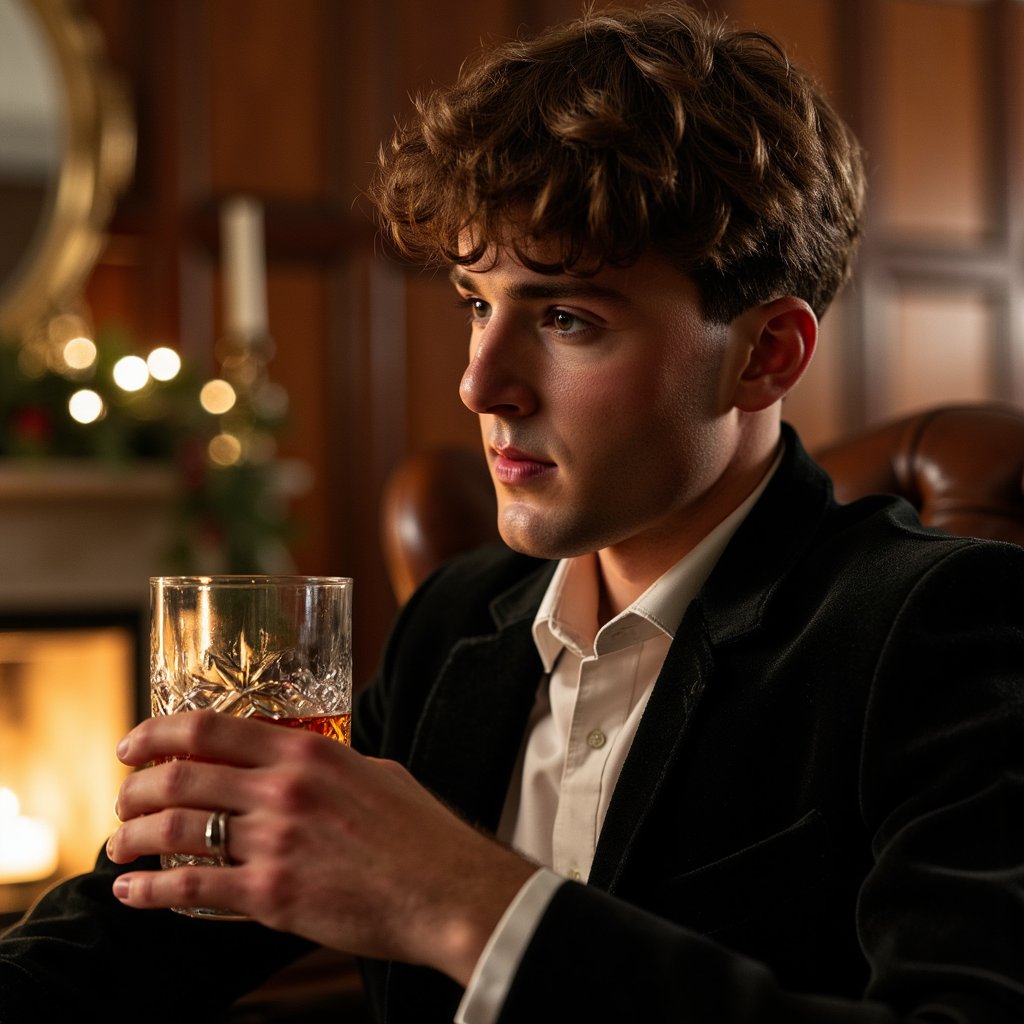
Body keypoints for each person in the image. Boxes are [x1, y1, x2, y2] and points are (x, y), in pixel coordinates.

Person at [3, 3, 1023, 1021]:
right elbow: (134, 945)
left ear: (766, 355)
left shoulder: (949, 629)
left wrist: (459, 897)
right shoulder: (455, 620)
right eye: (476, 303)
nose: (479, 384)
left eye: (566, 317)